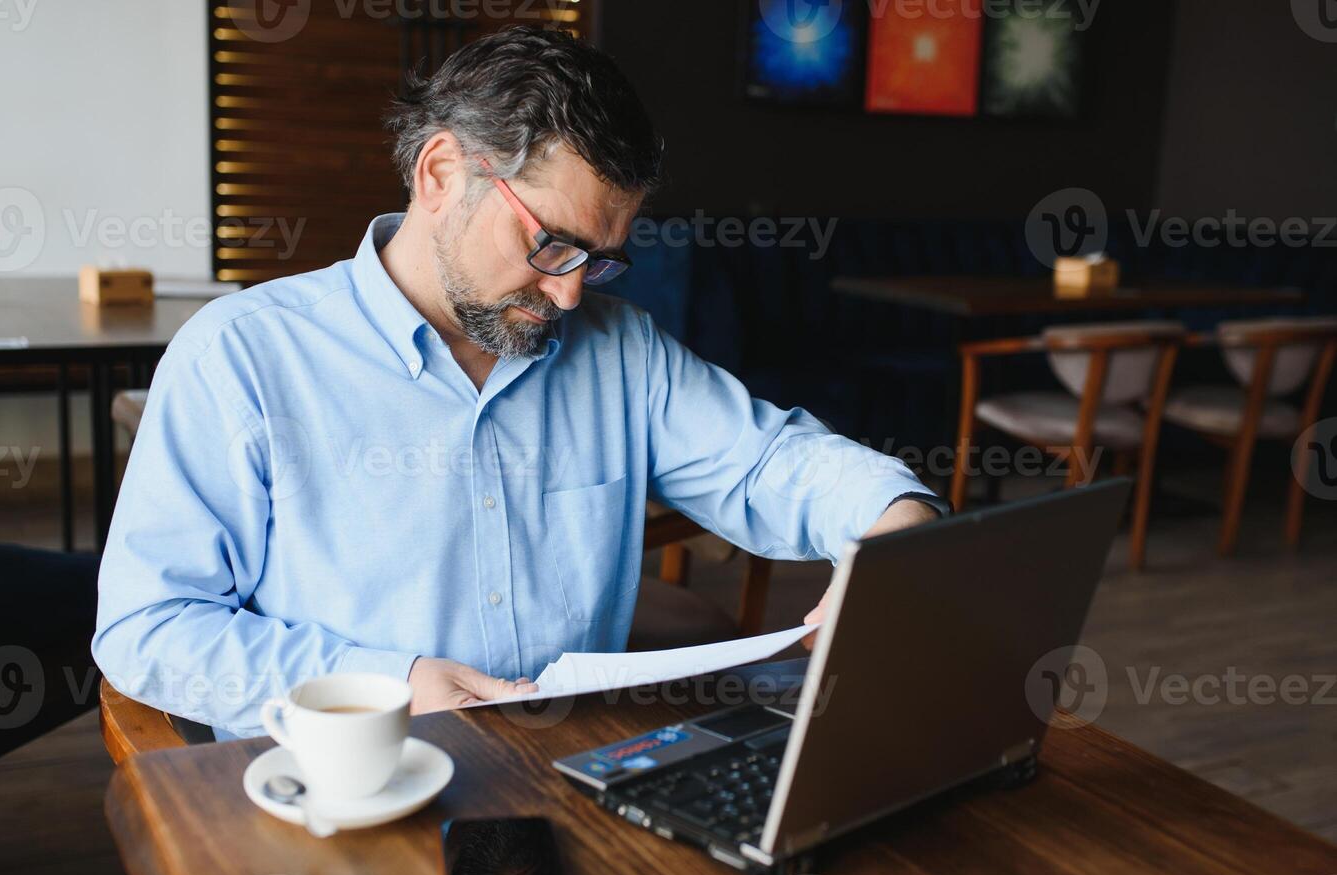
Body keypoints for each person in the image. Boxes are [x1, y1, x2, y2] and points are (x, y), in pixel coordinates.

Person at [93, 26, 943, 739]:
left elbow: (767, 466)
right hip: (351, 784)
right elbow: (149, 629)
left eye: (601, 260)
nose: (572, 291)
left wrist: (892, 524)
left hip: (574, 769)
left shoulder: (619, 350)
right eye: (552, 245)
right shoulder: (241, 358)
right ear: (439, 175)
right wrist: (389, 683)